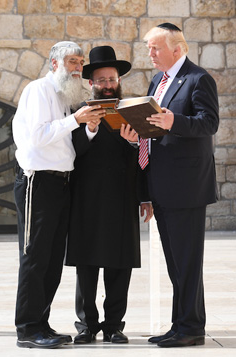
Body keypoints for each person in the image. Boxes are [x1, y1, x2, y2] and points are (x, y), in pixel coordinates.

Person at [121, 23, 219, 347]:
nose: (149, 53)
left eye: (155, 47)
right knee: (176, 263)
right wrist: (137, 135)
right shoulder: (157, 82)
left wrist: (173, 121)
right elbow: (154, 130)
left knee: (188, 261)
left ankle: (191, 328)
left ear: (177, 49)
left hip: (187, 187)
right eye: (148, 47)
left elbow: (209, 122)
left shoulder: (198, 79)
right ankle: (180, 325)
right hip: (162, 185)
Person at [12, 41, 106, 349]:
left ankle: (41, 323)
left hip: (61, 183)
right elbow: (38, 138)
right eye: (71, 61)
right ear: (54, 64)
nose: (78, 66)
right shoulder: (39, 90)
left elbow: (66, 143)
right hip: (38, 183)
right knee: (35, 257)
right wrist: (75, 121)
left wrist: (86, 125)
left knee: (52, 260)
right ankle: (27, 328)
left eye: (80, 61)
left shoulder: (66, 95)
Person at [65, 46, 153, 344]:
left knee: (119, 264)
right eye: (101, 80)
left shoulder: (134, 109)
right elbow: (70, 154)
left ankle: (114, 325)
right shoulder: (78, 110)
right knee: (86, 266)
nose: (106, 84)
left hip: (122, 197)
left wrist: (132, 144)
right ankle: (86, 326)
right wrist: (88, 129)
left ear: (118, 80)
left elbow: (145, 160)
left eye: (111, 79)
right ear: (91, 83)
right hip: (86, 198)